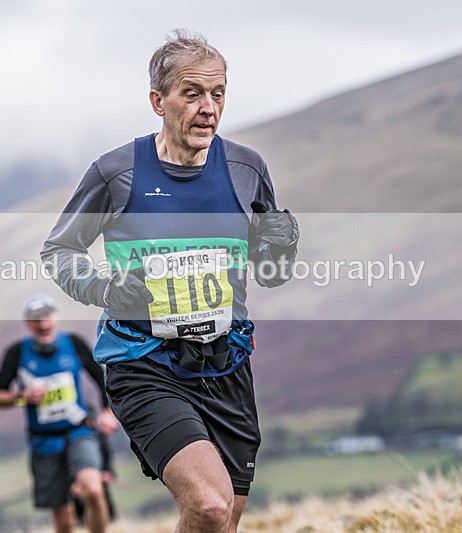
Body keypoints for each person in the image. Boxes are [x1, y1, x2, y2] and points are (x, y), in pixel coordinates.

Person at [40, 30, 299, 533]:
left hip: (227, 366)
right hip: (144, 364)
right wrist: (105, 291)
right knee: (208, 506)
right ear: (158, 101)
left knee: (221, 522)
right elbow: (60, 250)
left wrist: (283, 245)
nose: (208, 108)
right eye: (192, 93)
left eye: (218, 94)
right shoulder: (117, 172)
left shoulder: (247, 168)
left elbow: (272, 273)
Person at [0, 294, 119, 533]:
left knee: (93, 490)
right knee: (63, 515)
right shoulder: (16, 353)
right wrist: (22, 397)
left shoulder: (74, 343)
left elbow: (101, 377)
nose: (43, 324)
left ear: (56, 317)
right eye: (36, 320)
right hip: (43, 441)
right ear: (28, 323)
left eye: (47, 317)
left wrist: (107, 411)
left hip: (79, 431)